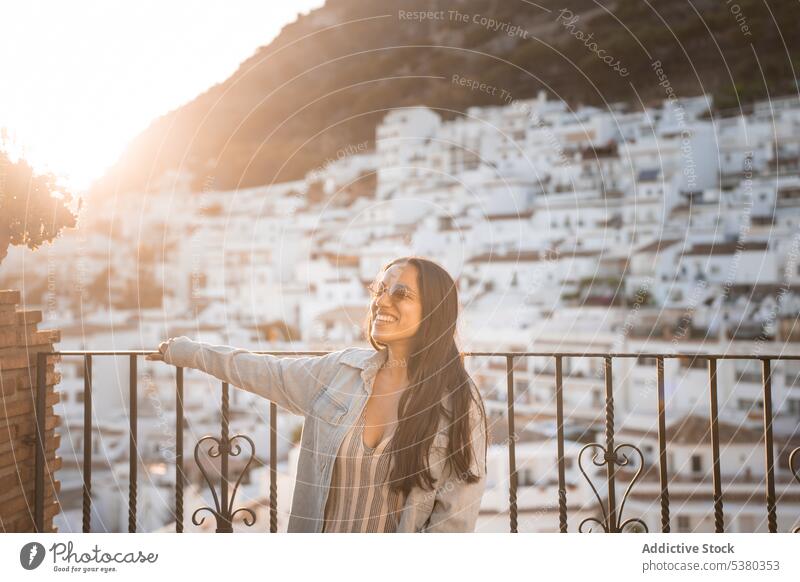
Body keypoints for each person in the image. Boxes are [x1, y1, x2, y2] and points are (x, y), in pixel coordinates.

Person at [147, 256, 488, 532]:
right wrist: (186, 352)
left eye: (400, 293)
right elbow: (263, 371)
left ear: (434, 312)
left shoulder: (459, 402)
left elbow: (454, 520)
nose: (381, 300)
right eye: (380, 290)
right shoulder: (340, 372)